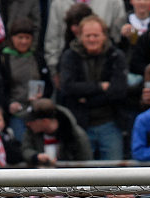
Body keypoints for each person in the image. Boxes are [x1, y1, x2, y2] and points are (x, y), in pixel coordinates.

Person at [59, 15, 129, 161]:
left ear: (104, 36)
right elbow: (67, 87)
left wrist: (86, 98)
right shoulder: (69, 56)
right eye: (88, 35)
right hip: (80, 125)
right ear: (80, 36)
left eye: (96, 35)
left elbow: (119, 91)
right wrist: (99, 87)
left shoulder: (116, 56)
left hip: (110, 123)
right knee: (81, 177)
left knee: (115, 176)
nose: (92, 39)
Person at [0, 17, 52, 141]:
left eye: (27, 38)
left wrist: (42, 97)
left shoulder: (37, 58)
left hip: (36, 112)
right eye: (20, 37)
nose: (24, 41)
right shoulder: (3, 59)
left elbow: (48, 85)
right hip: (16, 113)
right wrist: (8, 104)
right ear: (12, 37)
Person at [44, 0, 127, 73]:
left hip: (104, 65)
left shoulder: (114, 2)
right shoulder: (58, 3)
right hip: (68, 67)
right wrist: (54, 71)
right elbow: (52, 40)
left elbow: (117, 38)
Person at [21, 98, 93, 166]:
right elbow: (25, 149)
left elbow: (85, 161)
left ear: (45, 121)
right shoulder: (31, 132)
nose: (28, 124)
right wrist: (36, 157)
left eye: (32, 121)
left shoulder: (76, 135)